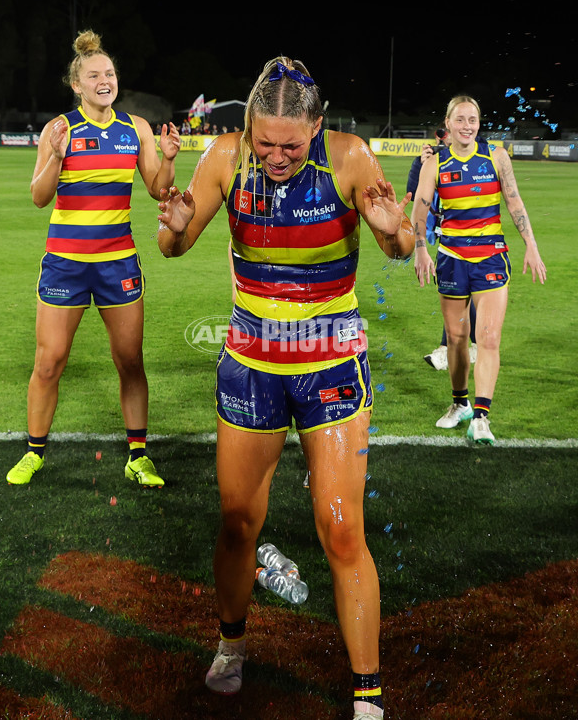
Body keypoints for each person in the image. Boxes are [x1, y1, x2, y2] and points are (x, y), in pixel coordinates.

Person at [157, 56, 414, 720]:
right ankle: (231, 645)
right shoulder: (223, 157)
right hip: (250, 361)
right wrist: (175, 225)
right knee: (240, 521)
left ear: (317, 128)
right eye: (264, 142)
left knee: (339, 526)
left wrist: (394, 235)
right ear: (248, 127)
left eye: (291, 146)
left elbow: (402, 240)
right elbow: (173, 246)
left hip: (331, 362)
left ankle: (367, 690)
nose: (275, 156)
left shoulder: (351, 158)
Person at [6, 30, 180, 487]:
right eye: (94, 75)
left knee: (130, 361)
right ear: (77, 86)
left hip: (117, 263)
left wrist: (169, 158)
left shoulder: (135, 129)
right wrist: (56, 159)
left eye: (110, 73)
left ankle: (138, 456)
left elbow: (159, 191)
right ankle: (34, 452)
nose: (105, 80)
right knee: (49, 361)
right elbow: (40, 197)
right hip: (65, 262)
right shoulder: (59, 130)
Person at [412, 95, 546, 444]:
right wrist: (420, 250)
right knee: (456, 340)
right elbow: (420, 208)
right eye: (460, 119)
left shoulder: (496, 157)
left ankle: (482, 417)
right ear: (448, 123)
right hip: (452, 260)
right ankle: (460, 404)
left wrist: (531, 245)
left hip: (491, 260)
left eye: (472, 119)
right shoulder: (435, 163)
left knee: (488, 338)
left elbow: (514, 200)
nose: (467, 125)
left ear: (479, 123)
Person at [407, 127, 477, 371]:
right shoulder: (428, 162)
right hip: (443, 233)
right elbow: (413, 196)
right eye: (441, 136)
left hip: (471, 234)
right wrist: (423, 166)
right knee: (459, 289)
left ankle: (449, 348)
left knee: (462, 289)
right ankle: (466, 344)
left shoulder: (471, 159)